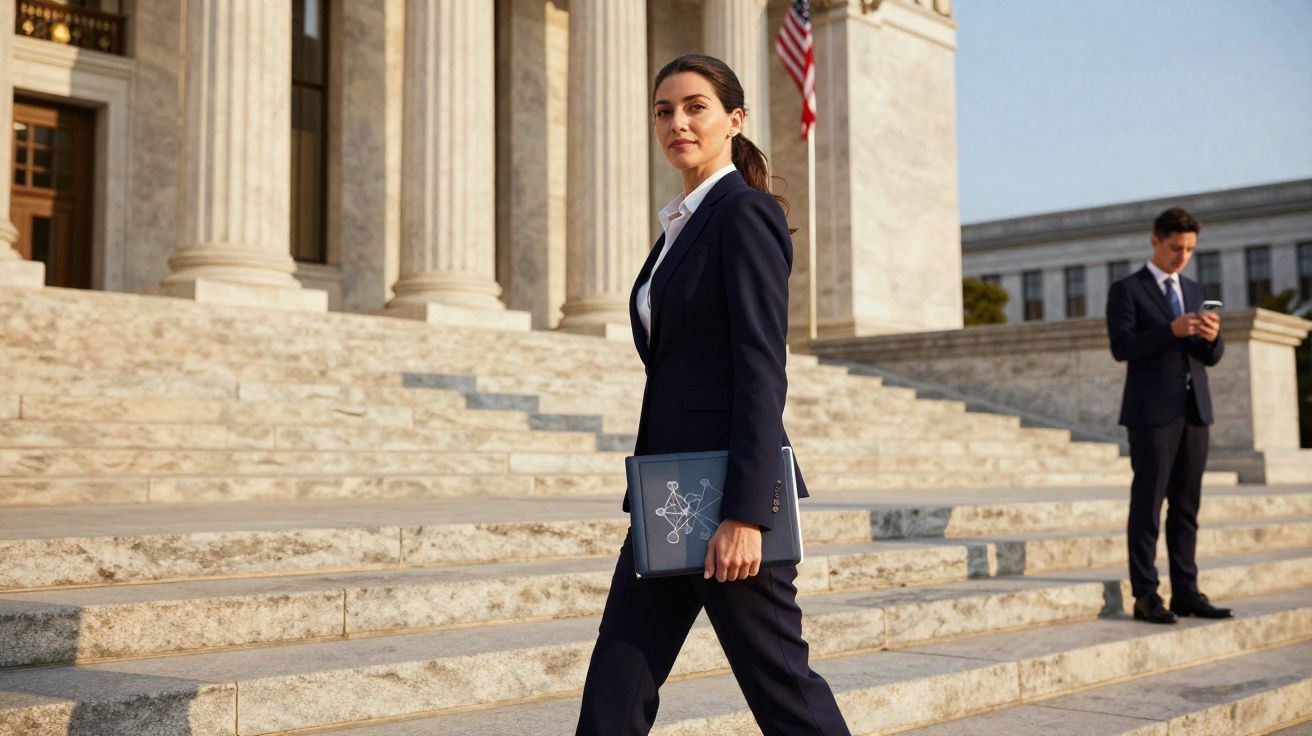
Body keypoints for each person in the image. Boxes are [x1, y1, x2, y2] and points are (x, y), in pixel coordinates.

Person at [573, 54, 851, 735]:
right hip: (667, 496)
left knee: (785, 694)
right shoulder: (680, 225)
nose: (677, 122)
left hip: (727, 501)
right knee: (615, 687)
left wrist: (747, 514)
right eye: (664, 110)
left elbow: (761, 369)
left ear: (735, 119)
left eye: (695, 107)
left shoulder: (743, 214)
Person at [1106, 207, 1233, 624]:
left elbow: (1208, 357)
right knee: (1147, 505)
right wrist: (1170, 331)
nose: (1183, 255)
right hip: (1151, 414)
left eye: (1190, 249)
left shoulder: (1196, 290)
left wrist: (1213, 340)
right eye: (1176, 247)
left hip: (1196, 411)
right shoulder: (1127, 289)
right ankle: (1145, 595)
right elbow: (1122, 346)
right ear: (1155, 241)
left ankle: (1186, 592)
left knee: (1186, 507)